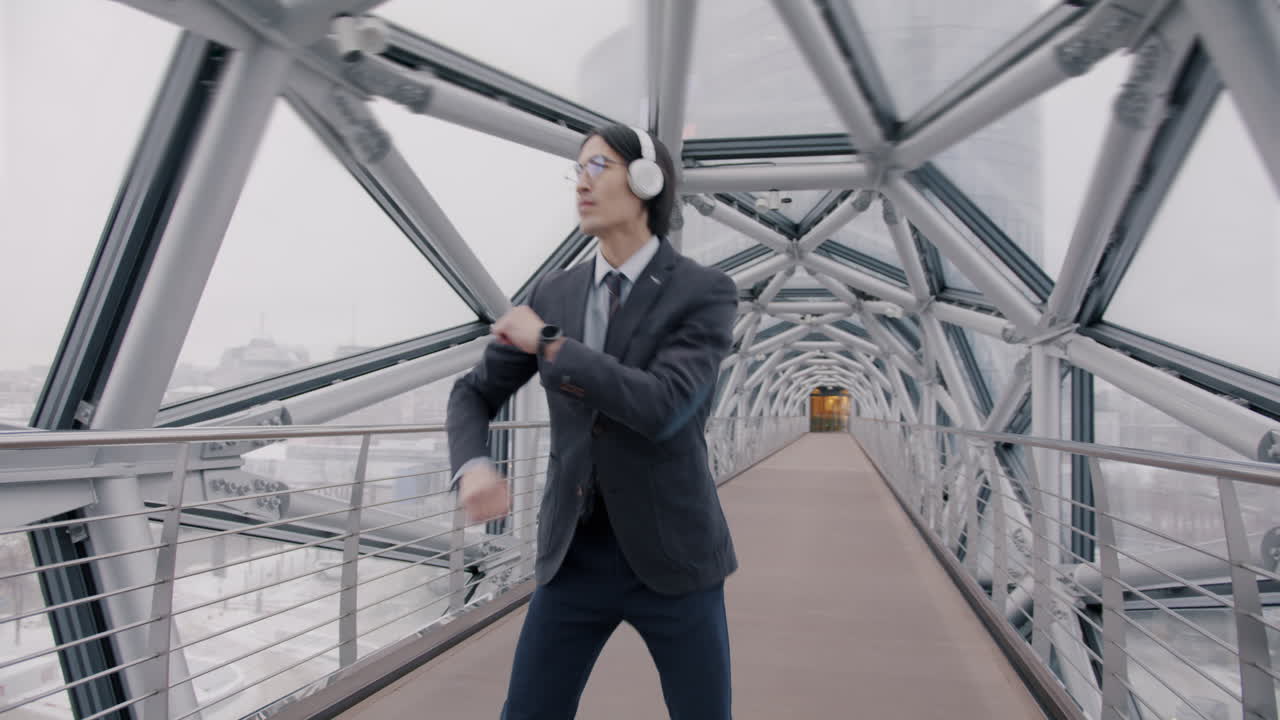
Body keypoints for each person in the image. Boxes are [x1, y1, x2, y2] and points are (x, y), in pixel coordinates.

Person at [446, 124, 739, 719]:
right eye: (576, 170)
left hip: (674, 555)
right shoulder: (556, 292)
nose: (581, 182)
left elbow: (663, 407)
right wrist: (475, 465)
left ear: (645, 181)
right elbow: (473, 393)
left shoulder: (703, 292)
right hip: (573, 554)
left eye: (598, 166)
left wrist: (551, 346)